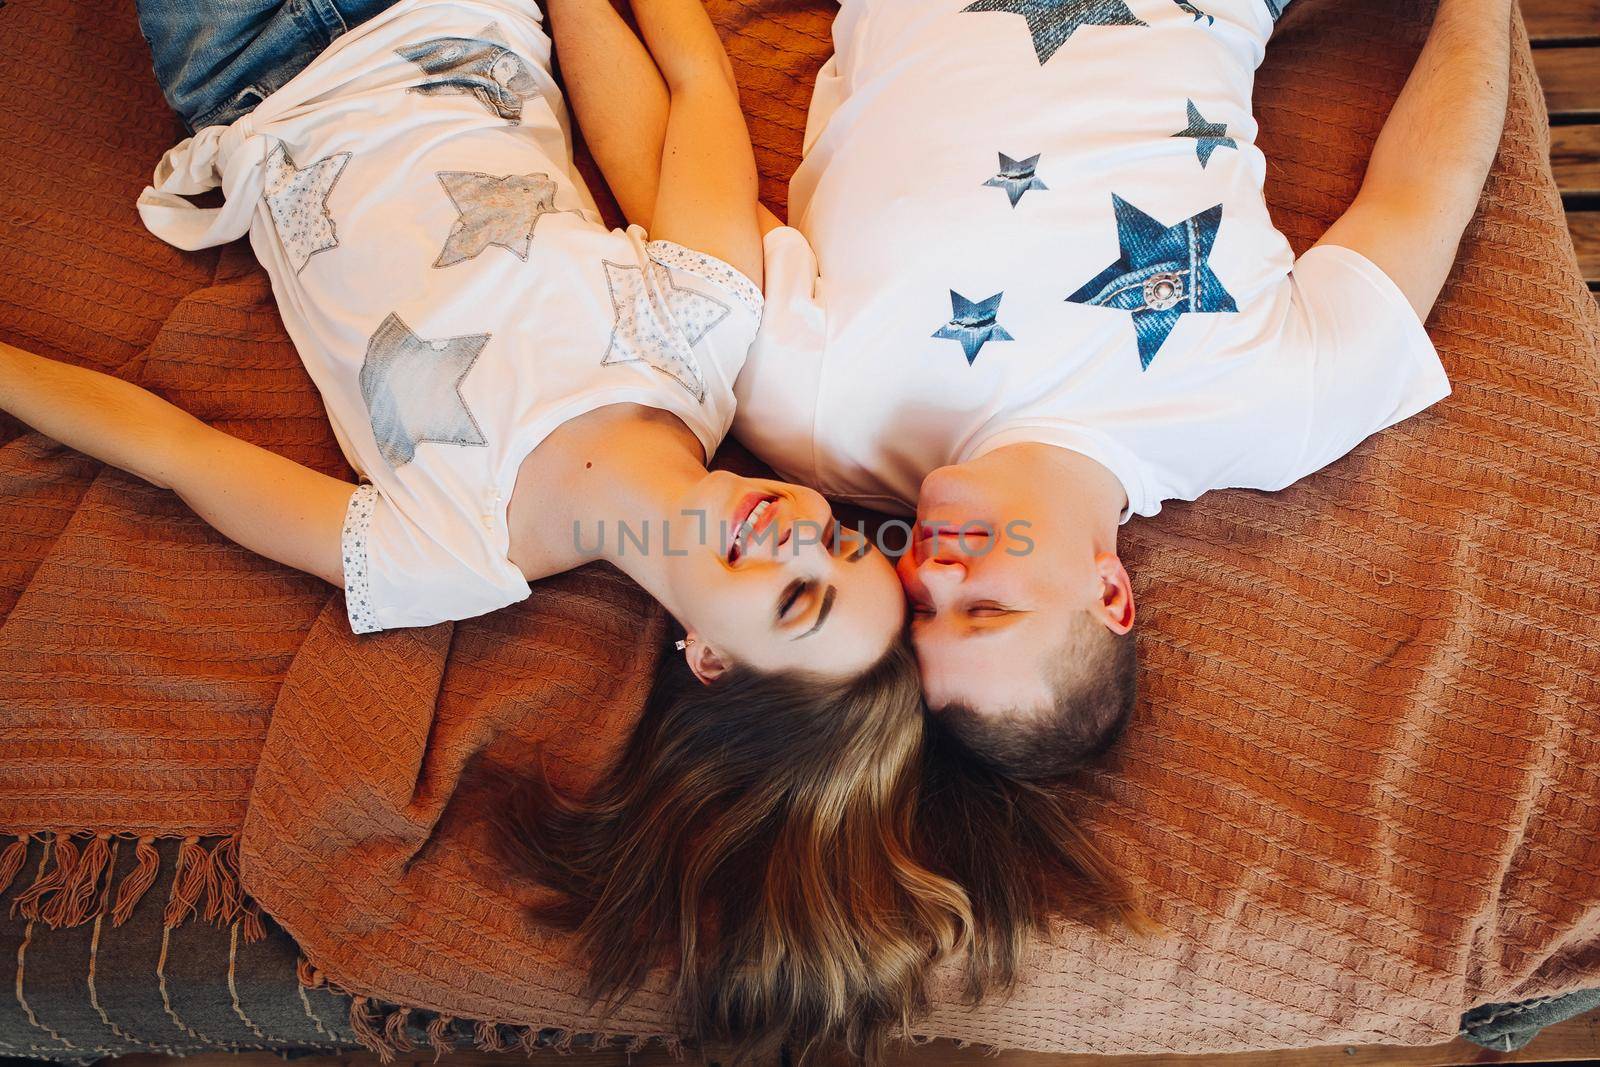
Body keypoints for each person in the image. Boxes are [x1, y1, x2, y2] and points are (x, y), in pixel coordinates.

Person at [0, 0, 983, 1056]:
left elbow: (176, 452)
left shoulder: (448, 554)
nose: (795, 535)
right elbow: (690, 87)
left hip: (251, 66)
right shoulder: (707, 332)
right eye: (839, 542)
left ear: (707, 658)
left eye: (794, 597)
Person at [737, 0, 1509, 773]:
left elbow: (693, 188)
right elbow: (1424, 183)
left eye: (921, 610)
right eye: (987, 608)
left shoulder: (810, 415)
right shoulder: (1274, 411)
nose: (932, 572)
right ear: (1109, 592)